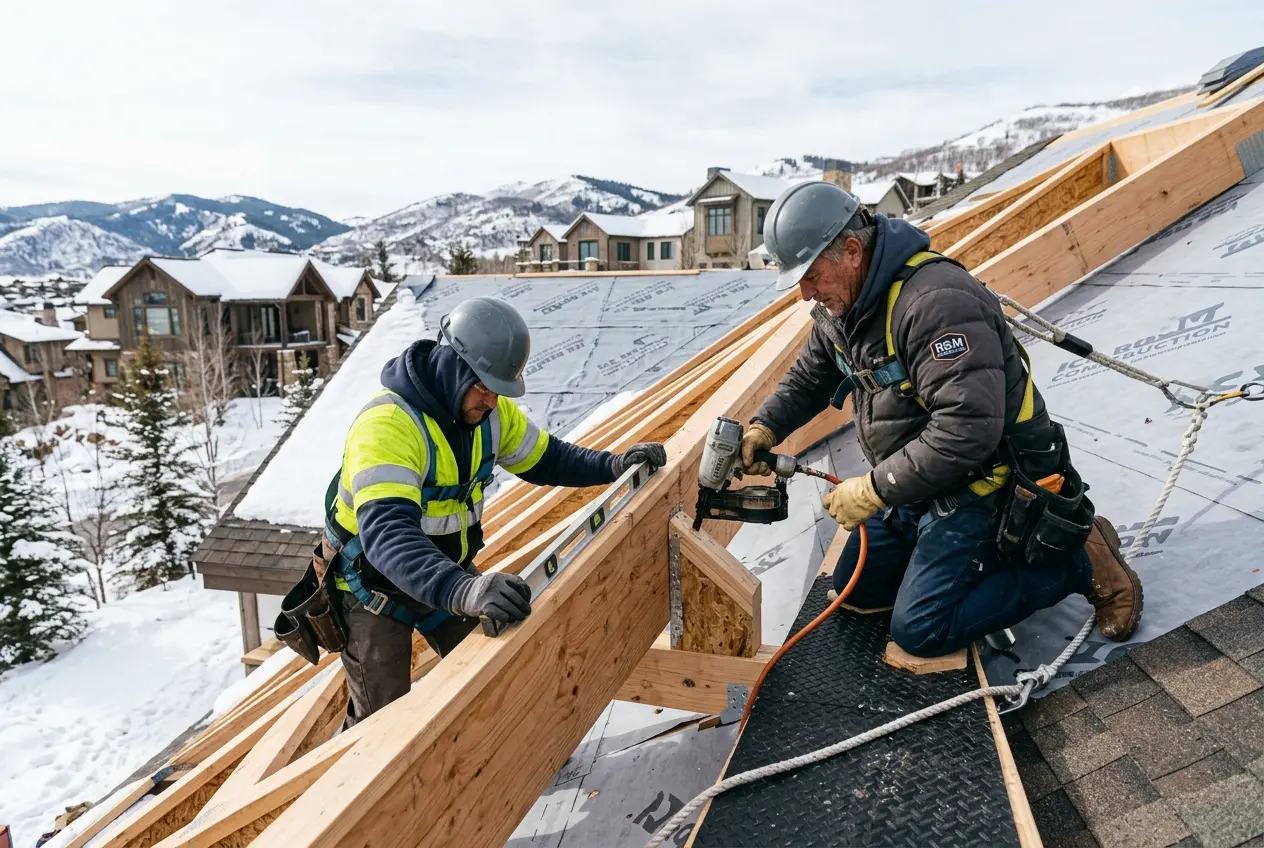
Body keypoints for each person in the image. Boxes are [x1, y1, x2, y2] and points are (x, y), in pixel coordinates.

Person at [740, 181, 1143, 658]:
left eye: (811, 275)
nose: (806, 293)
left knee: (922, 630)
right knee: (858, 591)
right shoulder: (845, 305)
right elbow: (811, 377)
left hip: (986, 483)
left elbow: (967, 429)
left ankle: (1079, 561)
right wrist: (765, 427)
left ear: (851, 250)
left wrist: (874, 489)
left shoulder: (935, 303)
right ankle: (957, 561)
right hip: (920, 482)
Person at [326, 296, 666, 725]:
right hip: (374, 588)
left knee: (499, 670)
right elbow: (388, 535)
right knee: (382, 723)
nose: (491, 401)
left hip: (443, 573)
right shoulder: (388, 426)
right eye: (483, 387)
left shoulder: (488, 413)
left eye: (497, 390)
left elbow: (546, 458)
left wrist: (611, 466)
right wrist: (462, 590)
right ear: (453, 365)